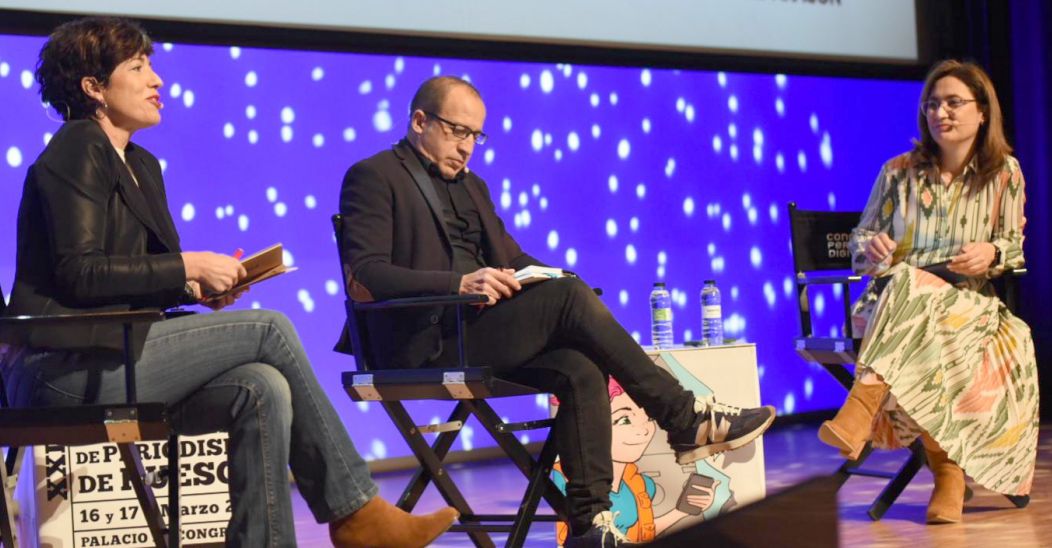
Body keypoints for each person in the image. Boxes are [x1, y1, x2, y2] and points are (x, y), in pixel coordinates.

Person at [0, 17, 457, 547]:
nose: (157, 81)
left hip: (114, 350)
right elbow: (80, 273)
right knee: (272, 330)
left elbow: (135, 278)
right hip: (62, 369)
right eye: (138, 67)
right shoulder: (78, 147)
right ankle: (356, 513)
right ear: (93, 88)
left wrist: (198, 290)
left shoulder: (141, 164)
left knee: (262, 387)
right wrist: (189, 265)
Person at [337, 75, 776, 546]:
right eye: (457, 131)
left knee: (578, 365)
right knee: (568, 304)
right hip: (423, 342)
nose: (467, 147)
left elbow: (511, 257)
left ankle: (590, 524)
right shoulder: (375, 175)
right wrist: (459, 283)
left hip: (479, 329)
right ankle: (685, 417)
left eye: (475, 136)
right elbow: (366, 274)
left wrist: (556, 276)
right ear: (420, 121)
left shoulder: (472, 186)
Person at [819, 59, 1038, 524]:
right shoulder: (898, 173)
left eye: (954, 103)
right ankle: (948, 474)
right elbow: (860, 243)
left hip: (968, 305)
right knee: (907, 283)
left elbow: (1014, 248)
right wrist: (872, 247)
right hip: (892, 305)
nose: (941, 112)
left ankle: (863, 410)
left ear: (982, 112)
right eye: (933, 104)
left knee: (937, 318)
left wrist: (991, 254)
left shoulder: (1005, 174)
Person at [552, 377, 717, 545]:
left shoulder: (641, 485)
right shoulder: (559, 479)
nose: (644, 430)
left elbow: (643, 533)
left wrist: (681, 511)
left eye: (650, 418)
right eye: (624, 420)